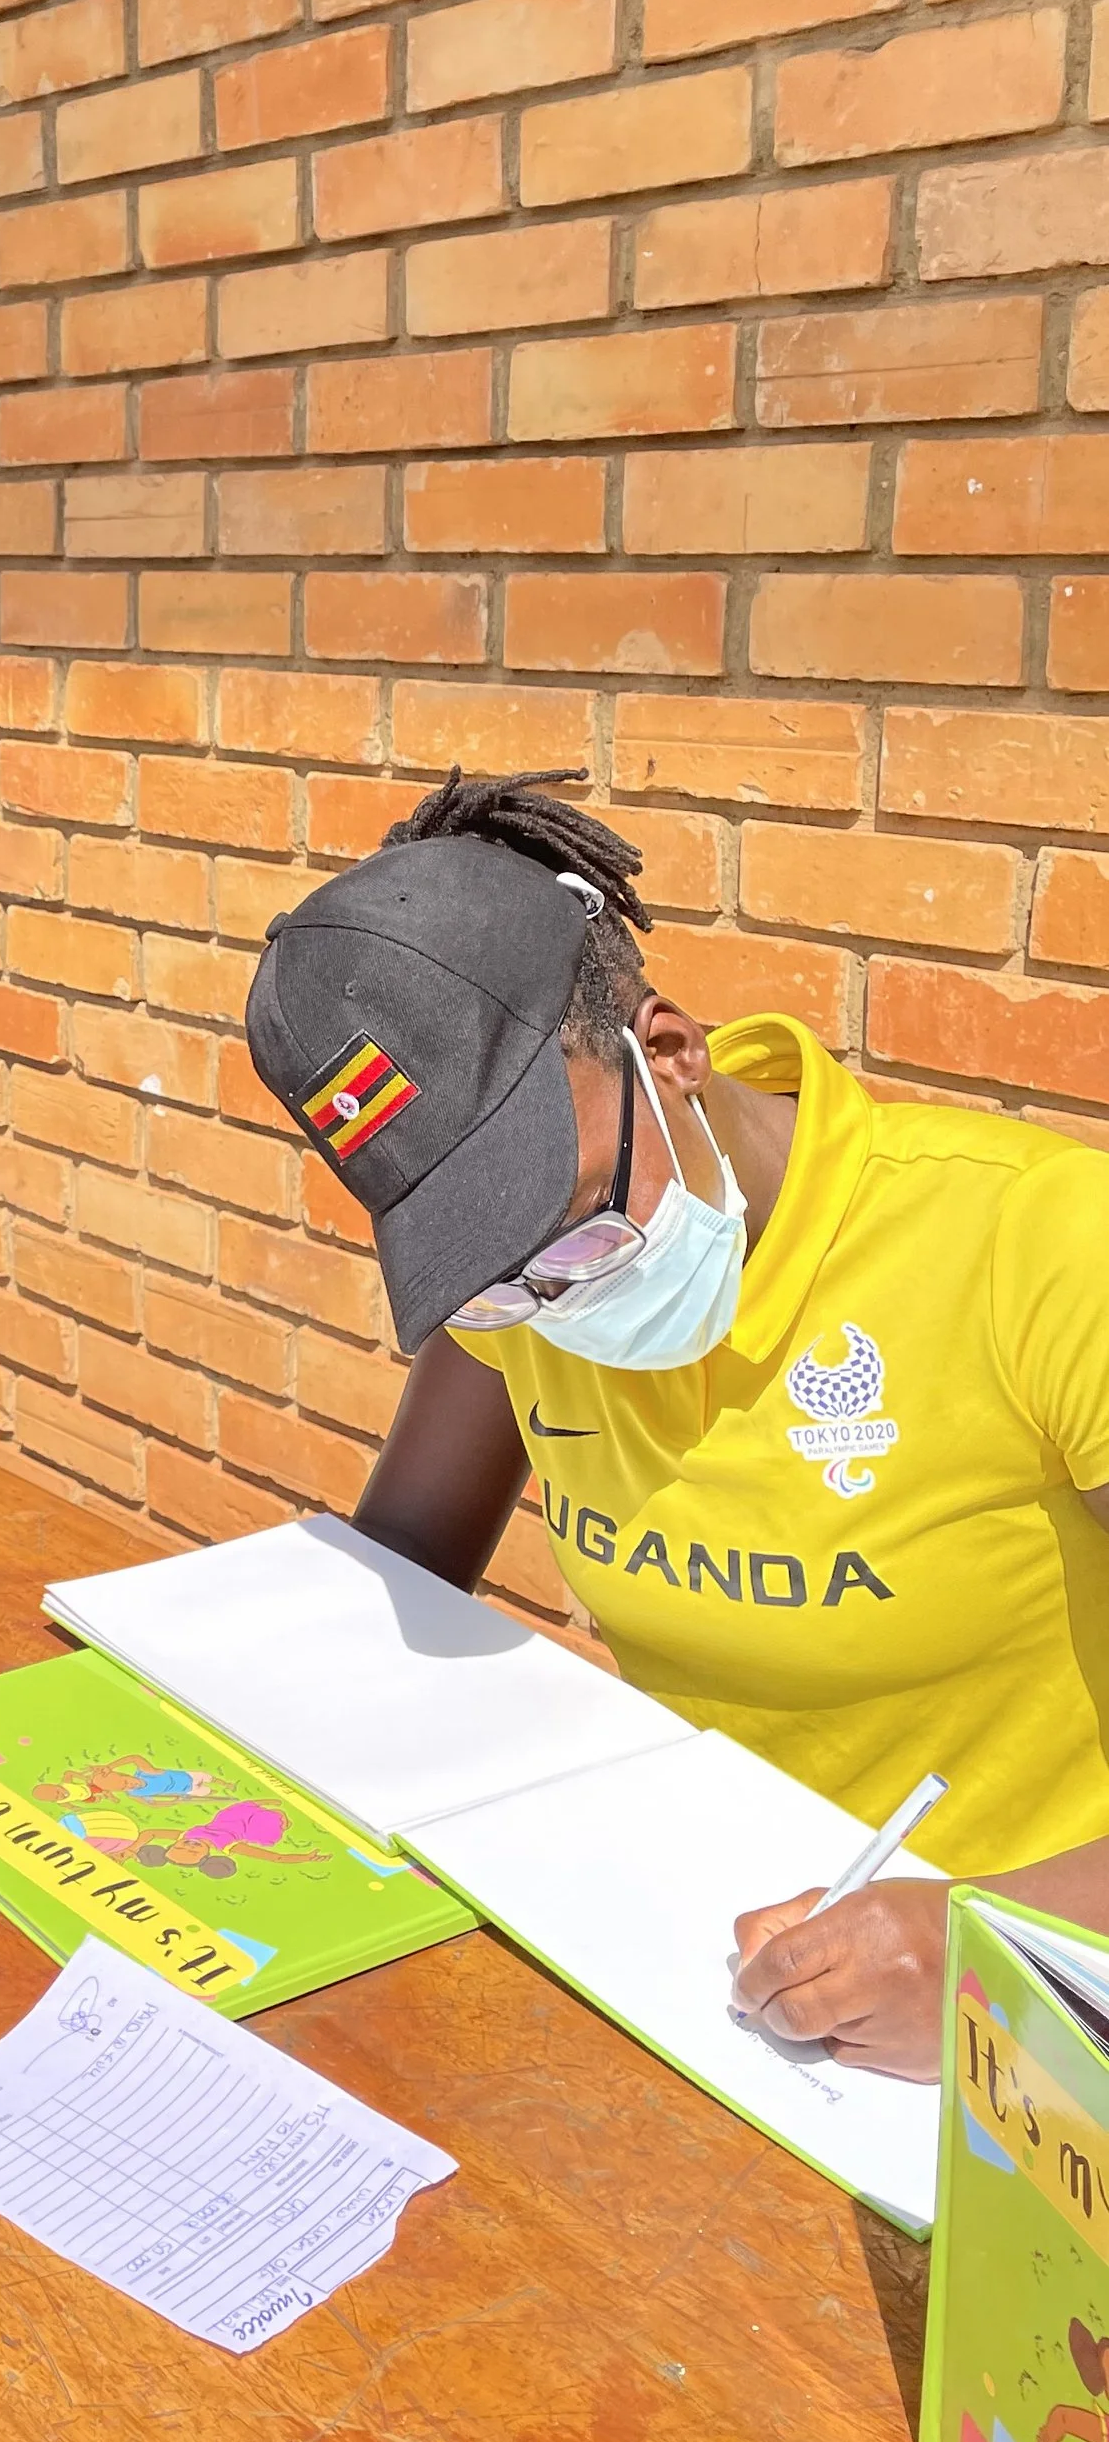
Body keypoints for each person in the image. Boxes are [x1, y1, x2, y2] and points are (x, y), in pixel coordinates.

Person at [246, 767, 1109, 2087]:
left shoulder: (1042, 1248)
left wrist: (1005, 1941)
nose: (555, 1294)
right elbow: (398, 1581)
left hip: (1026, 2029)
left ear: (670, 1050)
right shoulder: (535, 1297)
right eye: (492, 1270)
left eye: (577, 1216)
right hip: (694, 1987)